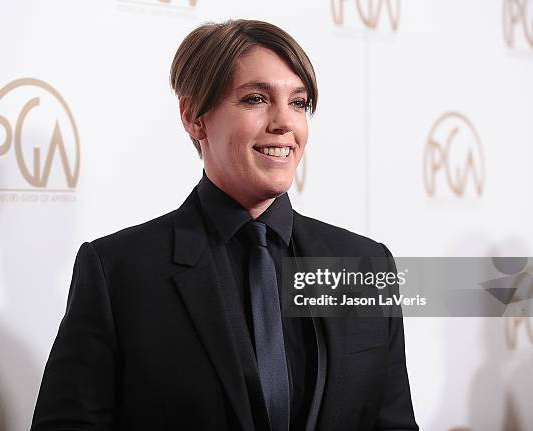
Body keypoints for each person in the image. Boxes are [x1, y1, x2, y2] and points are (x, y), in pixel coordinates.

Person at [31, 19, 418, 431]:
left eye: (299, 103)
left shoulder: (364, 264)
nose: (284, 122)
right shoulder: (118, 271)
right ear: (194, 116)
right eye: (256, 99)